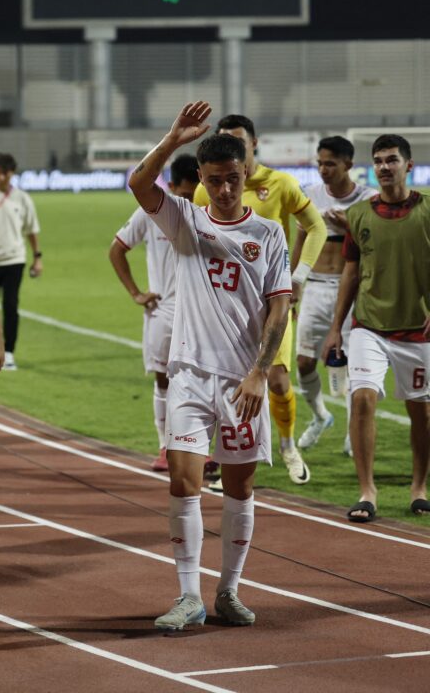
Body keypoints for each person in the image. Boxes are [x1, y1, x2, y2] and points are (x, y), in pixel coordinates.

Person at [128, 102, 291, 632]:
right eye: (215, 180)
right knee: (184, 483)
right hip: (191, 375)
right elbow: (138, 181)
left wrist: (259, 371)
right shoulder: (184, 220)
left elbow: (279, 306)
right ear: (201, 178)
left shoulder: (268, 235)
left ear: (247, 175)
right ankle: (188, 595)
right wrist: (174, 136)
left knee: (240, 488)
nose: (224, 190)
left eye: (233, 180)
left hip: (243, 380)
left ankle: (228, 591)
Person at [193, 114, 326, 485]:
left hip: (271, 301)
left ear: (254, 143)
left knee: (278, 381)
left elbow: (315, 226)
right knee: (227, 381)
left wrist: (298, 276)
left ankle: (286, 445)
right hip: (228, 307)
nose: (232, 146)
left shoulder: (280, 183)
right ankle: (228, 457)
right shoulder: (205, 189)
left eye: (238, 140)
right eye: (224, 140)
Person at [325, 134, 430, 523]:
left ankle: (419, 487)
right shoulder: (360, 215)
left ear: (408, 165)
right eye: (379, 161)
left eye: (392, 160)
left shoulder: (428, 211)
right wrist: (336, 327)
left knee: (421, 413)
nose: (385, 167)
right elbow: (350, 272)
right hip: (368, 325)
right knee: (363, 398)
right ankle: (367, 491)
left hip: (418, 329)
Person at [109, 155, 201, 472]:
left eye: (195, 193)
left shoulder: (207, 213)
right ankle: (164, 446)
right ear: (172, 186)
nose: (189, 200)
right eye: (185, 194)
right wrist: (136, 292)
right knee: (164, 379)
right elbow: (117, 249)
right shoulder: (150, 212)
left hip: (200, 312)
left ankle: (197, 447)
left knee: (199, 380)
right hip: (163, 309)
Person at [294, 137, 377, 456]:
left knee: (355, 366)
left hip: (352, 290)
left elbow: (374, 248)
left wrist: (350, 226)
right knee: (303, 362)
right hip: (314, 285)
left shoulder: (367, 200)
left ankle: (352, 430)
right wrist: (293, 284)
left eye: (330, 163)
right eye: (320, 163)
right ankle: (320, 416)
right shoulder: (310, 195)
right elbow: (301, 239)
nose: (323, 169)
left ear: (348, 166)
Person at [0, 152, 42, 370]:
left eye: (6, 173)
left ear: (12, 173)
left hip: (14, 260)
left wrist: (37, 257)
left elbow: (31, 229)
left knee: (11, 306)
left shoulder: (22, 198)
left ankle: (8, 352)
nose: (2, 177)